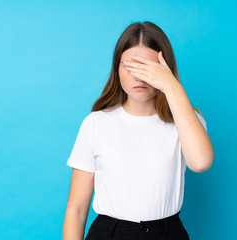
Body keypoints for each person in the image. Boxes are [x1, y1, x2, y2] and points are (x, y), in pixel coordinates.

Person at [62, 21, 214, 240]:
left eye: (149, 68)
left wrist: (171, 86)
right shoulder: (95, 123)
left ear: (166, 71)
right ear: (116, 68)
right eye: (130, 67)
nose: (139, 77)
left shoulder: (187, 121)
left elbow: (201, 162)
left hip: (167, 233)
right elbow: (75, 210)